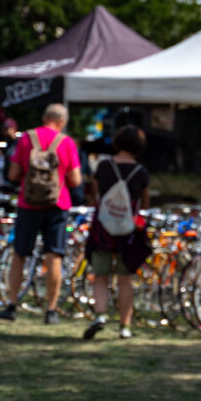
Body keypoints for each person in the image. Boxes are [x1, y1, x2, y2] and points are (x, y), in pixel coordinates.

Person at [0, 102, 81, 325]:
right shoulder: (66, 142)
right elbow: (75, 180)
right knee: (54, 256)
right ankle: (51, 310)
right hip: (57, 204)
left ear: (44, 118)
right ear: (62, 122)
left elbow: (13, 174)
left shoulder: (27, 138)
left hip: (28, 203)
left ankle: (11, 305)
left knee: (20, 254)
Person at [82, 125, 151, 341]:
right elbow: (144, 205)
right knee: (125, 279)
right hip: (129, 231)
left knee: (100, 276)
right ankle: (124, 326)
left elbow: (95, 195)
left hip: (103, 228)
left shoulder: (104, 167)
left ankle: (100, 315)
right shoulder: (141, 172)